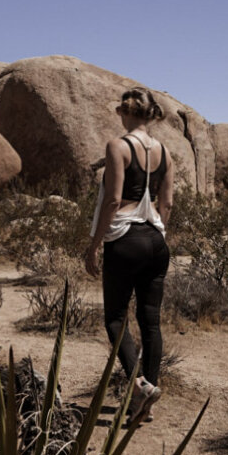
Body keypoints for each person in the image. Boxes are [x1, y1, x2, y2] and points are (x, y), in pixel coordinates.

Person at [84, 87, 174, 424]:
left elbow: (112, 199)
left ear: (126, 112)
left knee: (115, 318)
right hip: (155, 239)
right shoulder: (165, 153)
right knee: (150, 321)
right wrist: (157, 233)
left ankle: (138, 387)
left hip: (124, 237)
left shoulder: (118, 146)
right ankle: (146, 399)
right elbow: (166, 204)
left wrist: (94, 244)